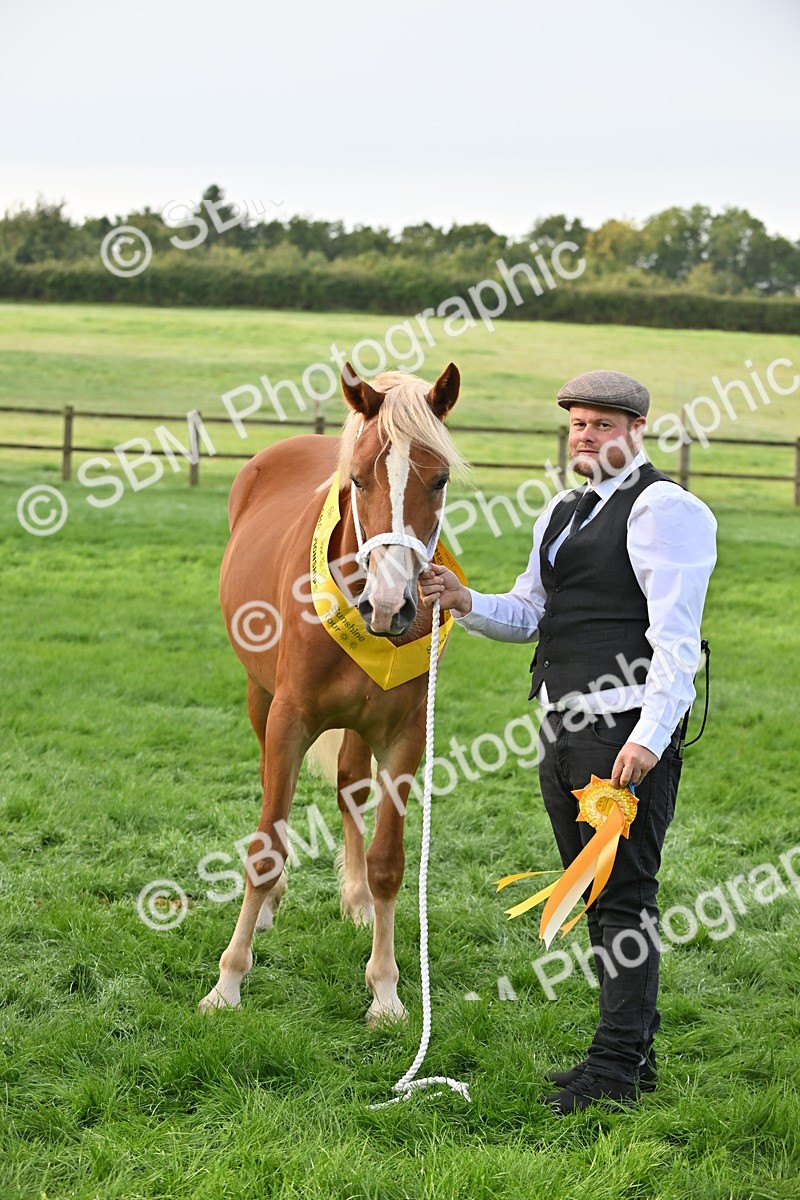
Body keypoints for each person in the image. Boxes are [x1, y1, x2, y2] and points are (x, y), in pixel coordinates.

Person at [419, 369, 717, 1115]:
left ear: (637, 430)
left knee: (624, 898)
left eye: (602, 425)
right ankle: (632, 1056)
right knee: (596, 894)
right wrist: (463, 600)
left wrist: (650, 738)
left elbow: (676, 643)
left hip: (621, 734)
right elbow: (530, 613)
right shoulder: (561, 510)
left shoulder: (665, 510)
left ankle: (614, 1070)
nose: (586, 436)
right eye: (579, 424)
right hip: (561, 730)